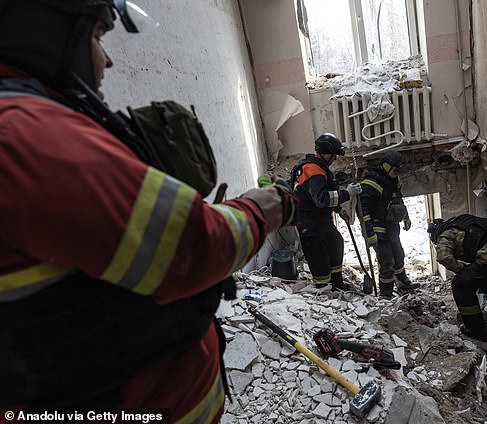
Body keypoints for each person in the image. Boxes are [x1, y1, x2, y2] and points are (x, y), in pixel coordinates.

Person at [0, 1, 287, 421]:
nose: (108, 59)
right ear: (44, 32)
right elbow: (192, 247)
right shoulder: (28, 137)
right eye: (99, 37)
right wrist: (259, 212)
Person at [290, 133, 362, 290]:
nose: (335, 159)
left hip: (320, 220)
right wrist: (347, 193)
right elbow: (321, 199)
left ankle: (336, 283)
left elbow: (321, 195)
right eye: (334, 155)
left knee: (336, 243)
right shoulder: (312, 171)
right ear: (325, 153)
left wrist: (339, 209)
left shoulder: (317, 168)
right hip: (310, 224)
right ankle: (324, 290)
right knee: (319, 260)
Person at [359, 150, 420, 297]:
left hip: (392, 227)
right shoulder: (371, 183)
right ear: (387, 166)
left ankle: (402, 283)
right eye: (396, 170)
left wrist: (406, 216)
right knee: (387, 262)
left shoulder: (394, 180)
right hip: (377, 229)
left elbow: (398, 200)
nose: (398, 174)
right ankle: (385, 294)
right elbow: (362, 210)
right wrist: (369, 233)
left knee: (399, 255)